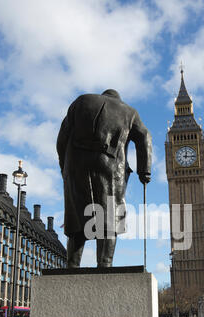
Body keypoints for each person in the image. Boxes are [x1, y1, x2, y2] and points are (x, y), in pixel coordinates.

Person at [57, 89, 152, 268]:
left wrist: (65, 167)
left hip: (76, 165)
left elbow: (61, 138)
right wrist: (144, 171)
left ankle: (72, 265)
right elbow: (145, 137)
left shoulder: (81, 101)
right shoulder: (129, 112)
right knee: (110, 214)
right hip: (110, 167)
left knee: (77, 215)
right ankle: (105, 264)